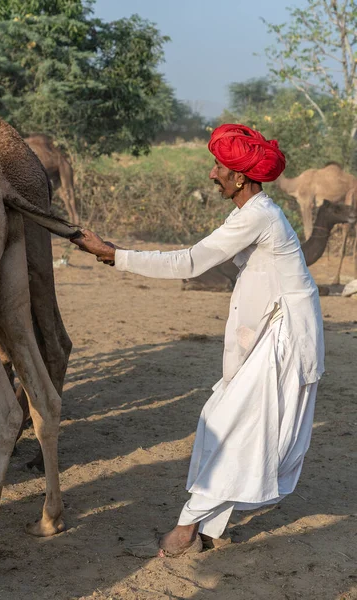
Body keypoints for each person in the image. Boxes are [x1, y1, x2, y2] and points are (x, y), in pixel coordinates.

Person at [71, 124, 324, 557]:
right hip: (272, 329)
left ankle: (186, 529)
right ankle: (210, 527)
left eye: (219, 167)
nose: (212, 174)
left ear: (240, 177)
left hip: (284, 337)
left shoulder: (260, 215)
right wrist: (113, 252)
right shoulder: (252, 212)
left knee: (229, 427)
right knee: (229, 423)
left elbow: (190, 261)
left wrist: (114, 255)